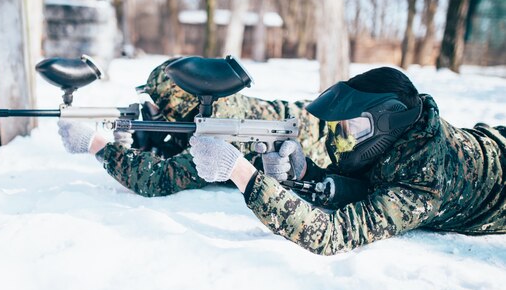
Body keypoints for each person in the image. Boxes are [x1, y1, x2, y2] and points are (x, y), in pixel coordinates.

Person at [188, 67, 506, 255]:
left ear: (385, 121)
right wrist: (305, 172)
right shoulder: (406, 132)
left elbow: (331, 235)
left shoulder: (423, 182)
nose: (341, 138)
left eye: (351, 127)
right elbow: (367, 187)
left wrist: (240, 171)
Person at [57, 57, 329, 196]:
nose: (152, 112)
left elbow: (158, 179)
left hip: (323, 140)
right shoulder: (200, 108)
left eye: (157, 104)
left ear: (178, 104)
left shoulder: (219, 122)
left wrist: (96, 144)